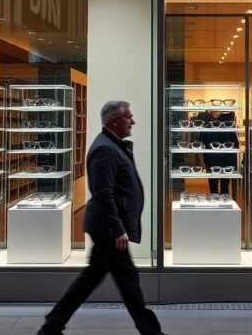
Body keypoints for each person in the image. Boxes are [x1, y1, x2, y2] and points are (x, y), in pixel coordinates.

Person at [38, 101, 165, 335]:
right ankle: (151, 332)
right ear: (114, 120)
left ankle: (52, 324)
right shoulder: (106, 148)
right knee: (128, 279)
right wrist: (117, 228)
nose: (133, 122)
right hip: (107, 228)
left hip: (105, 226)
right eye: (129, 117)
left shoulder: (112, 145)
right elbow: (103, 193)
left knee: (91, 278)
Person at [201, 109, 237, 195]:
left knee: (224, 186)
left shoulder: (227, 126)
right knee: (214, 186)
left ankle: (223, 204)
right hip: (212, 160)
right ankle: (217, 203)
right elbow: (201, 145)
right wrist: (203, 163)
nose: (215, 112)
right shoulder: (207, 126)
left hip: (225, 160)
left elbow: (235, 145)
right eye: (213, 110)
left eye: (218, 110)